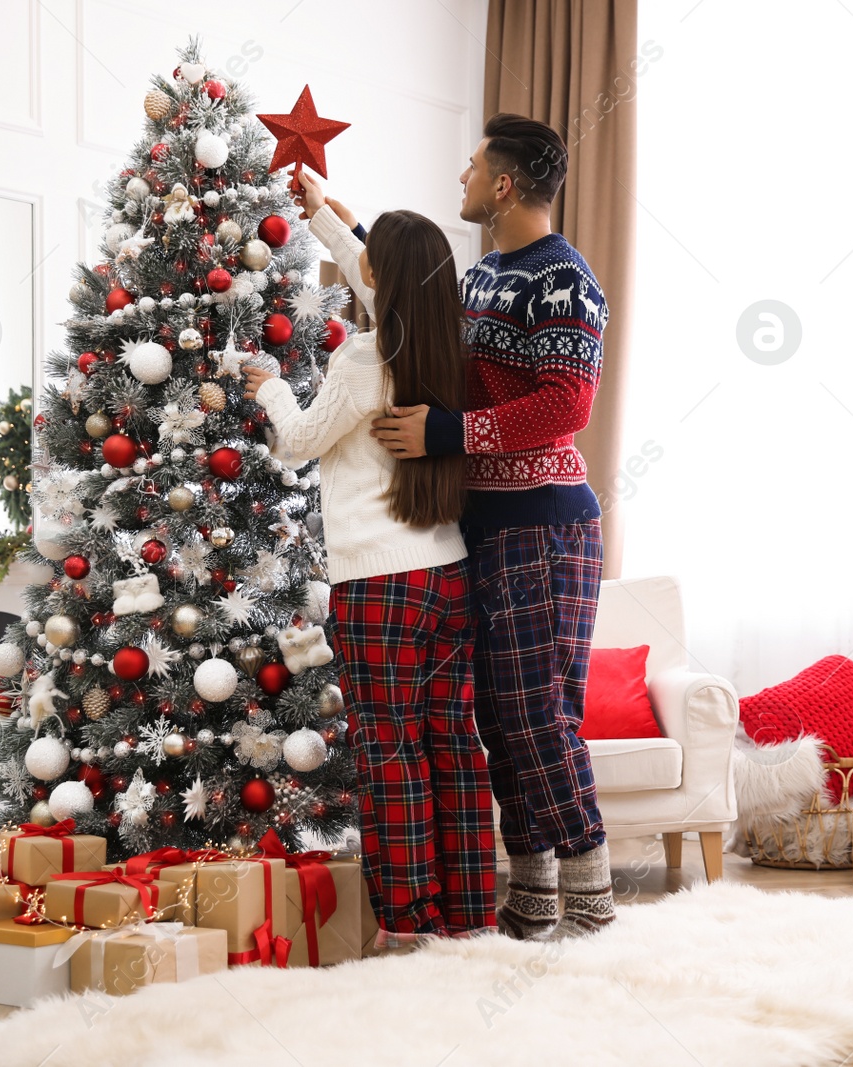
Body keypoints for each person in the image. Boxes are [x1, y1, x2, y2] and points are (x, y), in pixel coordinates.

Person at [366, 114, 613, 939]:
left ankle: (591, 897)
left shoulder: (563, 278)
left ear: (503, 184)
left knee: (536, 711)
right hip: (486, 523)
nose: (462, 178)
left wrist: (446, 433)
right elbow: (397, 283)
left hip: (545, 523)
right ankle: (533, 897)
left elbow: (565, 404)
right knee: (497, 714)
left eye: (472, 167)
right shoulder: (478, 278)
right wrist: (336, 217)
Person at [242, 185, 494, 943]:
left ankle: (410, 922)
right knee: (453, 743)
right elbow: (376, 272)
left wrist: (273, 388)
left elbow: (297, 442)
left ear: (380, 281)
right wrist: (326, 209)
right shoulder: (444, 338)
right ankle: (469, 916)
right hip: (449, 572)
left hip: (380, 584)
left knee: (392, 755)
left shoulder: (362, 356)